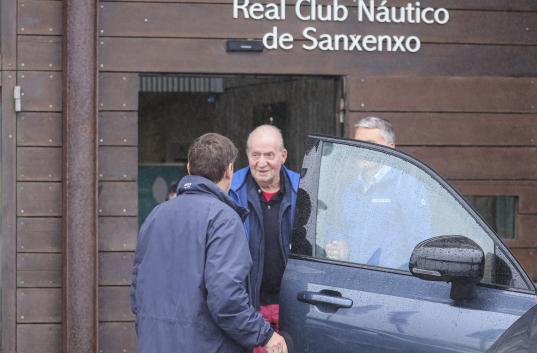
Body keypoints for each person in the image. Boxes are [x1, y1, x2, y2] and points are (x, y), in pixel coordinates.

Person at [131, 133, 287, 353]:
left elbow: (138, 288)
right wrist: (265, 334)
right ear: (229, 170)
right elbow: (226, 297)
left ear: (188, 167)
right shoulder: (224, 218)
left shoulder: (156, 215)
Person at [324, 116, 431, 269]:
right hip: (351, 280)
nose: (363, 150)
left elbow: (420, 247)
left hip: (390, 284)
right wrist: (340, 245)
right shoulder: (351, 190)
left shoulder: (407, 187)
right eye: (359, 143)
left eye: (371, 144)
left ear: (390, 148)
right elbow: (336, 228)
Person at [229, 125, 299, 353]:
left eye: (269, 155)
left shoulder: (304, 189)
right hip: (247, 308)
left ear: (283, 156)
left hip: (293, 306)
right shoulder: (230, 190)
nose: (261, 162)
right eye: (255, 155)